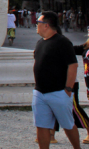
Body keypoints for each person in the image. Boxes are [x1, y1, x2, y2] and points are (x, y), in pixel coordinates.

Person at [32, 11, 82, 149]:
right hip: (40, 92)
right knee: (41, 125)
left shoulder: (63, 42)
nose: (36, 25)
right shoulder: (40, 42)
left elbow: (73, 65)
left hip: (59, 91)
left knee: (67, 124)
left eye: (38, 23)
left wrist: (68, 88)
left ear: (46, 25)